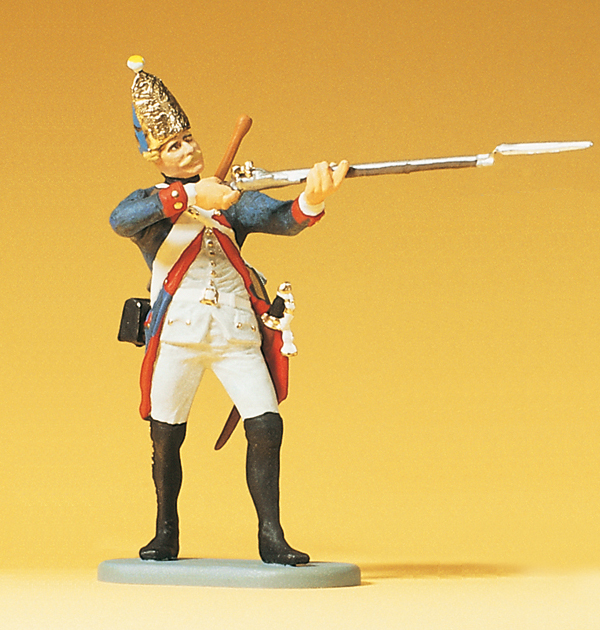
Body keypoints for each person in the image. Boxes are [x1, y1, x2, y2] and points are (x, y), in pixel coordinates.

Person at [110, 56, 348, 566]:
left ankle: (271, 535)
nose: (188, 149)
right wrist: (191, 195)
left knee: (266, 426)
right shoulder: (156, 203)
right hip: (178, 334)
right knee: (165, 435)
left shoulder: (229, 201)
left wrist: (311, 199)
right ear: (156, 157)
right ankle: (165, 531)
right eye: (174, 145)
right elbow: (121, 219)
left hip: (236, 332)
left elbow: (281, 218)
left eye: (188, 139)